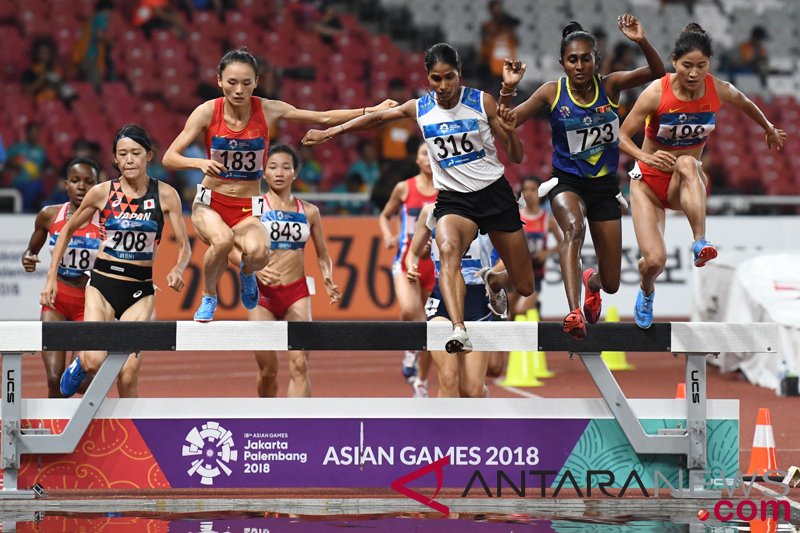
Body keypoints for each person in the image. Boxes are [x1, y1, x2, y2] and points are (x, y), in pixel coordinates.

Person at [302, 42, 533, 354]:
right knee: (448, 248)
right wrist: (333, 132)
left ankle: (493, 281)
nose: (443, 86)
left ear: (459, 74)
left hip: (494, 193)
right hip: (454, 200)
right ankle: (459, 329)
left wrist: (507, 128)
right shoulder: (420, 108)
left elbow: (517, 157)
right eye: (435, 79)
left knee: (524, 285)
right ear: (427, 78)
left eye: (449, 77)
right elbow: (378, 119)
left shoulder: (482, 102)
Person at [163, 48, 394, 322]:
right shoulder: (206, 112)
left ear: (257, 82)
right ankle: (209, 296)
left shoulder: (268, 109)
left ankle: (247, 271)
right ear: (219, 81)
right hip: (210, 202)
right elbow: (169, 157)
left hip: (247, 208)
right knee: (223, 241)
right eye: (232, 82)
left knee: (260, 255)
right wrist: (199, 164)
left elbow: (323, 118)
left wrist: (372, 109)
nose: (239, 90)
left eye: (246, 83)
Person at [499, 16, 665, 339]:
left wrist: (642, 41)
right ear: (562, 62)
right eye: (572, 59)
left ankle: (592, 283)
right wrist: (508, 89)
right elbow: (510, 121)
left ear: (595, 60)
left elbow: (659, 75)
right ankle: (573, 312)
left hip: (604, 188)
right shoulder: (552, 92)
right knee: (573, 229)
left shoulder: (611, 86)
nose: (579, 66)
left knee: (612, 282)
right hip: (567, 183)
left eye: (585, 59)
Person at [618, 23, 787, 328]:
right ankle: (646, 289)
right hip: (646, 184)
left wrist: (768, 129)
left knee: (688, 163)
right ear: (674, 62)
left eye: (701, 66)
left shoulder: (718, 89)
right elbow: (621, 135)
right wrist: (645, 156)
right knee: (654, 261)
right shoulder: (656, 92)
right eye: (687, 66)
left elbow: (746, 103)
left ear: (710, 64)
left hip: (683, 183)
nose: (694, 73)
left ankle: (700, 242)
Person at [43, 124, 191, 398]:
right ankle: (81, 363)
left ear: (149, 155)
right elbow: (66, 229)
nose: (129, 159)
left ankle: (132, 435)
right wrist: (51, 276)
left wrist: (178, 268)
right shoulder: (101, 192)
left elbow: (185, 246)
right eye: (122, 154)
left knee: (128, 373)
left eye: (135, 153)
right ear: (114, 159)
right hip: (102, 286)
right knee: (94, 362)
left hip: (140, 290)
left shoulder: (166, 194)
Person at [234, 144, 340, 397]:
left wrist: (328, 278)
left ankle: (299, 428)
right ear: (263, 173)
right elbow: (231, 248)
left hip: (297, 294)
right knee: (268, 369)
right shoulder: (253, 208)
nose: (279, 172)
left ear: (295, 174)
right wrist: (253, 270)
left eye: (285, 167)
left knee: (300, 365)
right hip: (262, 297)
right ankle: (267, 420)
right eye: (272, 167)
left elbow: (323, 255)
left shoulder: (310, 212)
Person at [22, 158, 101, 398]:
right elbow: (31, 250)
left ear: (97, 186)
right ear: (66, 184)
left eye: (89, 182)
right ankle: (54, 431)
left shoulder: (106, 220)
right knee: (54, 378)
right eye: (75, 181)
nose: (81, 187)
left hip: (88, 304)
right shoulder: (49, 215)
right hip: (56, 299)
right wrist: (28, 257)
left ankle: (82, 427)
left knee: (78, 379)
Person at [405, 204, 498, 398]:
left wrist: (492, 274)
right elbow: (413, 252)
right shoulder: (430, 211)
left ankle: (479, 397)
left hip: (477, 302)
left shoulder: (489, 210)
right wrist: (412, 266)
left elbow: (510, 257)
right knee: (448, 377)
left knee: (471, 391)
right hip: (441, 299)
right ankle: (444, 429)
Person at [379, 143, 437, 396]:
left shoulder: (447, 190)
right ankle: (410, 351)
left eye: (432, 153)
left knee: (430, 324)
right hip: (406, 261)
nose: (428, 158)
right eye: (424, 152)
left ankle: (420, 383)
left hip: (435, 266)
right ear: (416, 158)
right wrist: (388, 235)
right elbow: (385, 215)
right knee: (409, 309)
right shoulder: (404, 187)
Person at [512, 175, 562, 318]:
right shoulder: (516, 217)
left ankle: (535, 308)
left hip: (536, 274)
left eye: (533, 189)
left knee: (519, 310)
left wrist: (546, 253)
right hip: (515, 272)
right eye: (525, 189)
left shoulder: (548, 219)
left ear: (541, 192)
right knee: (510, 314)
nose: (529, 193)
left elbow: (563, 243)